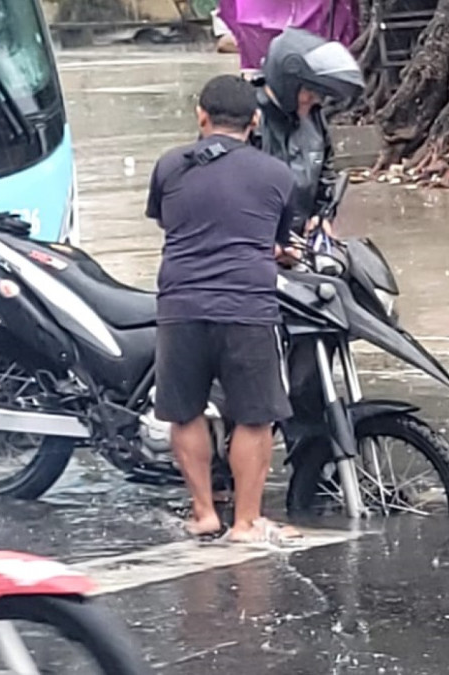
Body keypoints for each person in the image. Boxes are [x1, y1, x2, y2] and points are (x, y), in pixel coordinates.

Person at [146, 75, 300, 544]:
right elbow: (278, 241)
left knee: (185, 410)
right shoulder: (277, 175)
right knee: (255, 416)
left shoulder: (170, 166)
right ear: (255, 122)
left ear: (201, 115)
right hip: (247, 305)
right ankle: (247, 522)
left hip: (181, 304)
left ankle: (204, 514)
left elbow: (168, 223)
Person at [251, 27, 364, 237]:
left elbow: (325, 170)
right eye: (309, 93)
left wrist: (322, 215)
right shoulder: (245, 117)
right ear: (288, 83)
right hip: (254, 246)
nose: (314, 101)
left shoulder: (313, 117)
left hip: (300, 241)